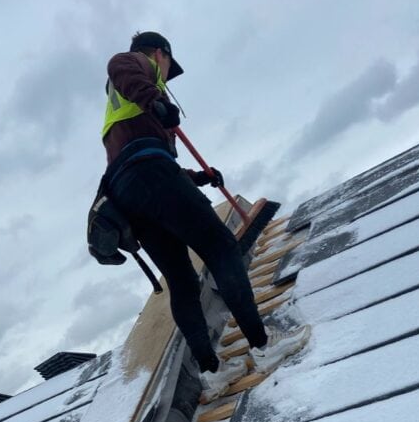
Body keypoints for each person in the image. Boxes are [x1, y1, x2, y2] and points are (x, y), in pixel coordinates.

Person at [102, 31, 310, 399]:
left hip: (130, 193)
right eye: (167, 66)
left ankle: (211, 373)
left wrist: (200, 177)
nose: (165, 75)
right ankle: (264, 346)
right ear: (160, 54)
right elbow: (119, 65)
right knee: (222, 250)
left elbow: (146, 164)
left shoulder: (124, 122)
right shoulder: (137, 65)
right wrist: (156, 98)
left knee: (181, 282)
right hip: (150, 173)